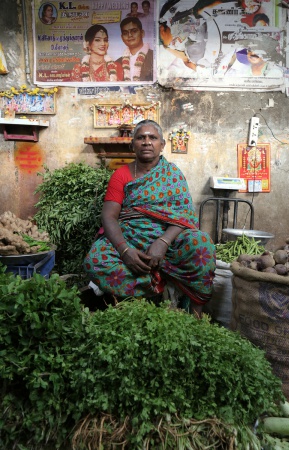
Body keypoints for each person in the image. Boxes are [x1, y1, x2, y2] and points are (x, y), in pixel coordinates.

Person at [84, 120, 216, 317]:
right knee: (95, 260)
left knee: (202, 244)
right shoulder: (120, 175)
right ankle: (149, 293)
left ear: (162, 145)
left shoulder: (173, 175)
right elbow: (109, 216)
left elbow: (184, 216)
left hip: (170, 239)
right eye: (141, 138)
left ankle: (196, 318)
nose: (146, 142)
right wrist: (125, 250)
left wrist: (163, 242)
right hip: (131, 237)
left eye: (152, 137)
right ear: (132, 145)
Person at [116, 17, 153, 82]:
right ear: (122, 38)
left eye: (134, 31)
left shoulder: (153, 56)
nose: (129, 35)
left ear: (142, 33)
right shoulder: (118, 62)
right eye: (125, 33)